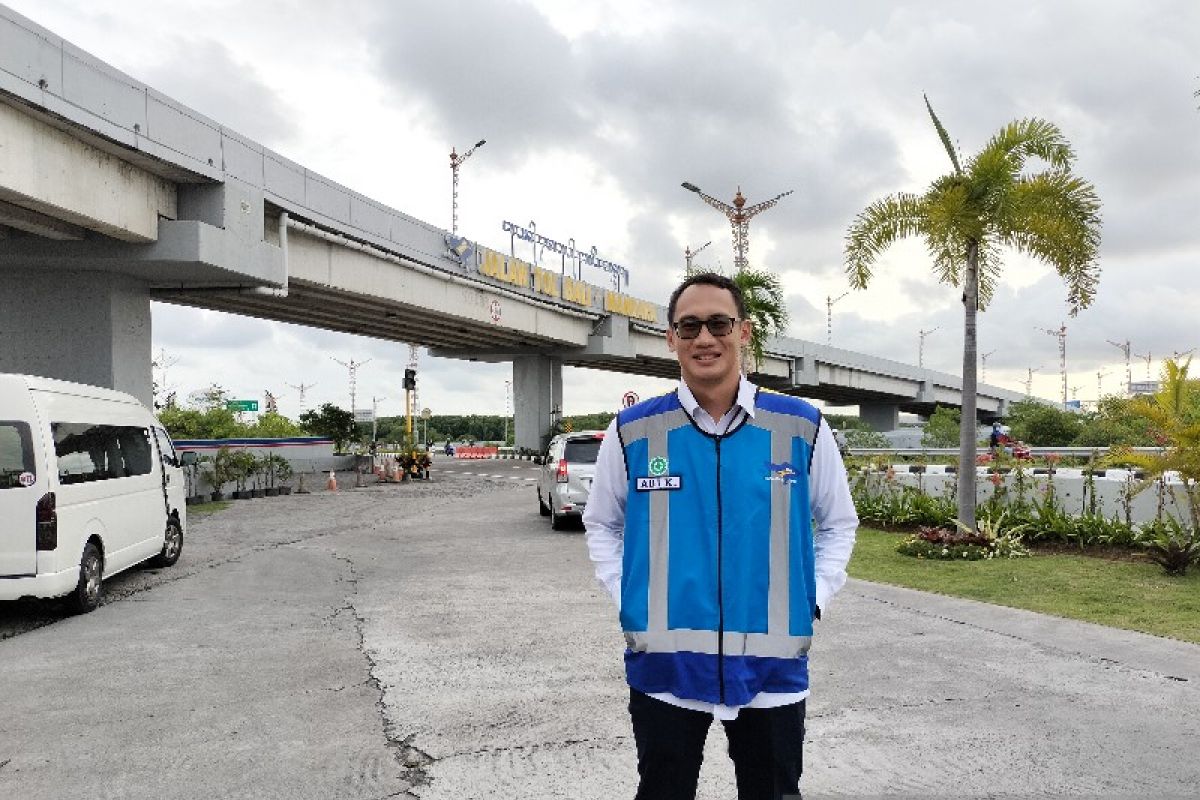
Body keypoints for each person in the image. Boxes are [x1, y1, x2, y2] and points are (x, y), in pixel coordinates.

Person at [584, 272, 858, 800]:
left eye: (718, 323)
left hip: (772, 671)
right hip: (664, 668)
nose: (704, 338)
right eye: (689, 326)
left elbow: (839, 523)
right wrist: (628, 597)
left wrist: (814, 599)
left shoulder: (800, 427)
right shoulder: (633, 431)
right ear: (671, 338)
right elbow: (602, 524)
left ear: (744, 332)